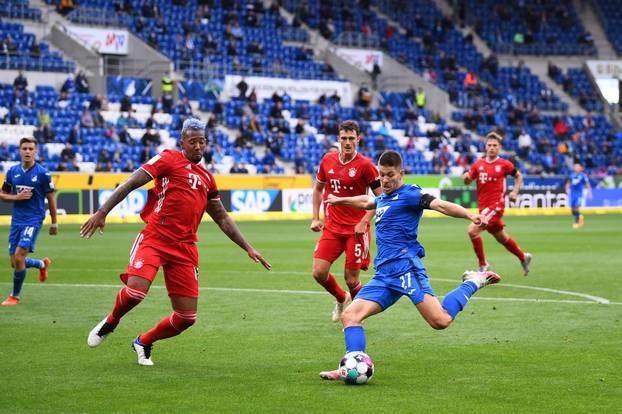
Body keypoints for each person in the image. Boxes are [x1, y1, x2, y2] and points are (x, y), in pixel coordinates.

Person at [81, 118, 271, 366]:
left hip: (185, 248)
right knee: (136, 292)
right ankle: (111, 321)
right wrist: (102, 212)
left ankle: (143, 341)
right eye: (193, 142)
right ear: (182, 142)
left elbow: (222, 217)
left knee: (186, 317)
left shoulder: (207, 178)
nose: (198, 147)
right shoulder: (168, 158)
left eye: (202, 142)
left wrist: (248, 247)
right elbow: (130, 183)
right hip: (156, 238)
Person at [319, 150, 500, 380]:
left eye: (390, 175)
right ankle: (351, 364)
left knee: (440, 321)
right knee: (350, 316)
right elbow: (366, 201)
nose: (384, 180)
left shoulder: (410, 194)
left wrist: (469, 215)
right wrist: (339, 199)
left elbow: (441, 205)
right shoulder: (382, 198)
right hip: (384, 275)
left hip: (406, 268)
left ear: (401, 173)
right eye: (381, 175)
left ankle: (474, 281)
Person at [311, 120, 382, 322]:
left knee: (352, 279)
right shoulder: (327, 160)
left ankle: (355, 318)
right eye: (344, 138)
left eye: (351, 138)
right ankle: (341, 298)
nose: (348, 142)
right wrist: (316, 218)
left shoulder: (366, 166)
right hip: (332, 228)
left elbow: (380, 200)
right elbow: (318, 190)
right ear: (338, 139)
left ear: (358, 139)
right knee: (318, 272)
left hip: (356, 231)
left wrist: (364, 222)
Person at [462, 132, 532, 276]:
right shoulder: (478, 164)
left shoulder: (504, 164)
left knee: (472, 230)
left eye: (495, 145)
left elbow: (518, 176)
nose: (492, 148)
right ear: (485, 147)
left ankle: (483, 265)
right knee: (502, 238)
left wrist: (514, 192)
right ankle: (523, 257)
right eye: (489, 145)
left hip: (496, 206)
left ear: (499, 147)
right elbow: (468, 180)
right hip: (484, 207)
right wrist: (466, 178)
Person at [0, 137, 57, 306]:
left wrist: (54, 222)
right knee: (15, 262)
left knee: (19, 257)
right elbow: (2, 194)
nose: (27, 151)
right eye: (24, 148)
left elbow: (51, 199)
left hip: (33, 219)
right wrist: (16, 197)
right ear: (19, 150)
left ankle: (14, 296)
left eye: (30, 149)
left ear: (35, 151)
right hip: (17, 220)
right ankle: (41, 264)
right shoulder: (12, 172)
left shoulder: (43, 174)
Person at [565, 162, 591, 228]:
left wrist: (589, 193)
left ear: (580, 168)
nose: (576, 168)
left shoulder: (583, 176)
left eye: (577, 167)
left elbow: (587, 184)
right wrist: (567, 190)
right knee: (573, 210)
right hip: (572, 194)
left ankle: (577, 222)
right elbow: (568, 183)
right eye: (575, 167)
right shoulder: (571, 175)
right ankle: (580, 217)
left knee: (576, 207)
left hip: (579, 194)